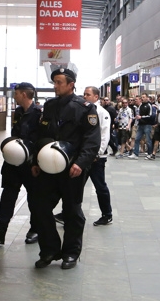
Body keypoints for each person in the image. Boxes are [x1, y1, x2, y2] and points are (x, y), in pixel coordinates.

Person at [30, 67, 100, 270]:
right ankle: (49, 250)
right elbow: (40, 136)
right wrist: (35, 161)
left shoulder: (85, 108)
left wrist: (81, 163)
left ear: (71, 84)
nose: (55, 86)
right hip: (47, 167)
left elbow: (91, 141)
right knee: (39, 208)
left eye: (59, 82)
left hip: (72, 168)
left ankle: (70, 252)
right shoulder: (49, 106)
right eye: (54, 82)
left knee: (72, 211)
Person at [0, 82, 41, 245]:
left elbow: (41, 140)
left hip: (30, 163)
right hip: (13, 162)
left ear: (24, 95)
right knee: (8, 195)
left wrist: (36, 162)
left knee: (35, 198)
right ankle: (0, 230)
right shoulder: (18, 112)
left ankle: (35, 229)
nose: (15, 96)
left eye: (17, 93)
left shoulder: (39, 114)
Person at [83, 86, 114, 226]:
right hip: (83, 156)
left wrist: (99, 152)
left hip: (96, 158)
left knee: (100, 186)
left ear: (96, 97)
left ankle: (107, 215)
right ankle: (68, 212)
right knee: (75, 185)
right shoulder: (83, 110)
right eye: (84, 94)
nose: (85, 96)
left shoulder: (102, 113)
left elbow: (104, 134)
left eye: (88, 94)